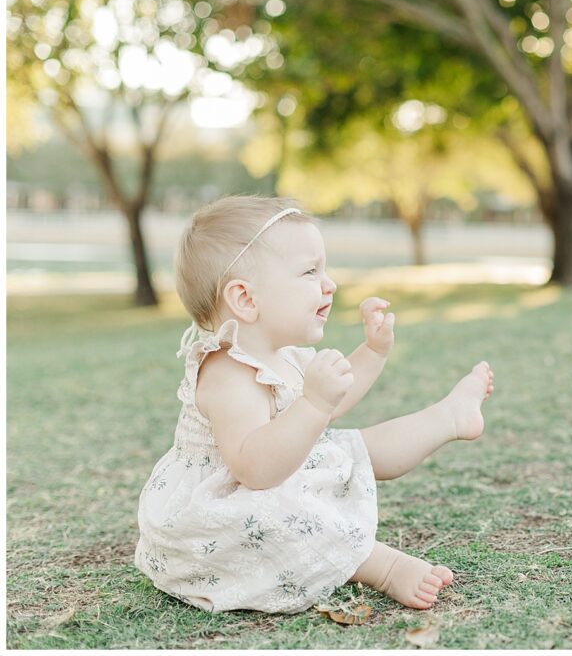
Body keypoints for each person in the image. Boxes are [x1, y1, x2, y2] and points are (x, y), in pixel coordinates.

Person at [134, 195, 494, 613]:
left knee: (351, 447)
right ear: (246, 299)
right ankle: (384, 567)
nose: (329, 284)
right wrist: (314, 403)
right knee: (290, 511)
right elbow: (255, 470)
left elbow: (334, 400)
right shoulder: (228, 374)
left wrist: (372, 352)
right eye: (310, 271)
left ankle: (448, 417)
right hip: (222, 515)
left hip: (274, 478)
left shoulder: (279, 355)